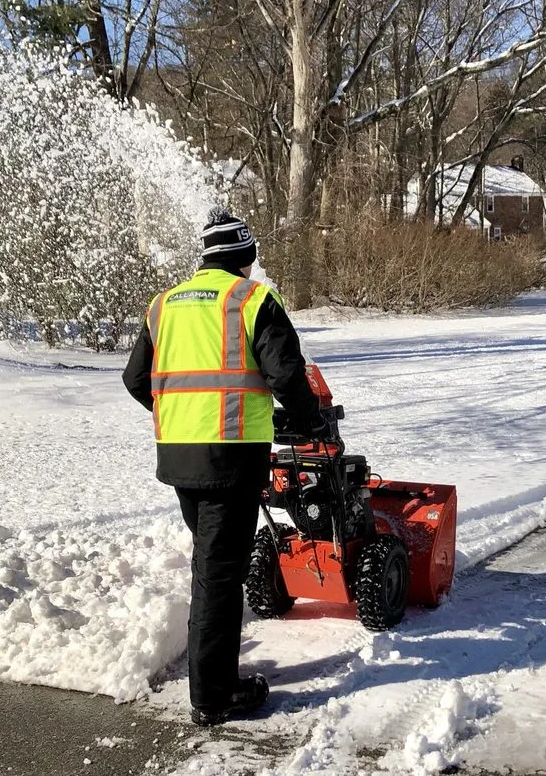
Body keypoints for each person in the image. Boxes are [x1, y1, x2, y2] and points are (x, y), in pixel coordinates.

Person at [122, 206, 322, 726]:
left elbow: (135, 379)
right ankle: (214, 696)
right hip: (231, 458)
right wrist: (311, 422)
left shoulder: (164, 304)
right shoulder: (251, 299)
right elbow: (286, 375)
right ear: (244, 257)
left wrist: (181, 415)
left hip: (179, 455)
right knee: (219, 574)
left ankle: (212, 675)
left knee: (211, 566)